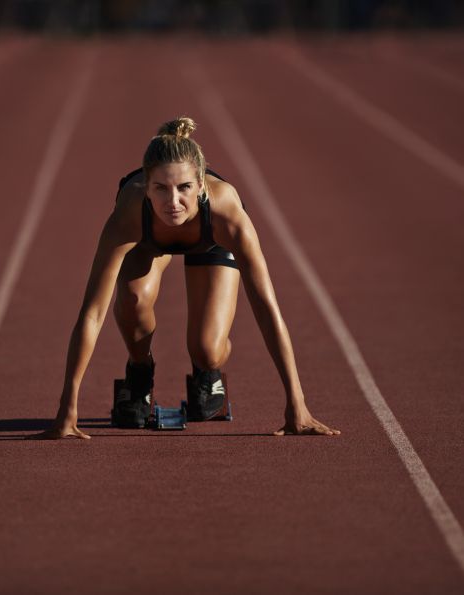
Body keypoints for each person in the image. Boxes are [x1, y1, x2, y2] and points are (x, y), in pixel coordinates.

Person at [28, 117, 340, 440]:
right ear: (145, 187)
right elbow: (92, 314)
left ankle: (208, 372)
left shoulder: (228, 216)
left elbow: (266, 307)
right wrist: (67, 406)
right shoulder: (128, 215)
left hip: (209, 240)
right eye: (160, 188)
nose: (173, 202)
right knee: (133, 299)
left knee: (207, 348)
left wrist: (296, 403)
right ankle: (139, 371)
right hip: (150, 240)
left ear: (202, 185)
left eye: (184, 188)